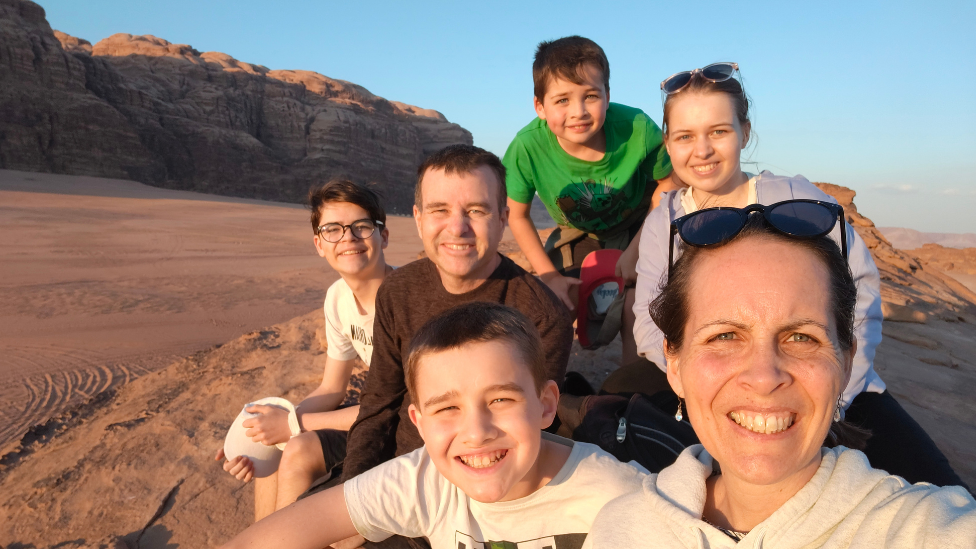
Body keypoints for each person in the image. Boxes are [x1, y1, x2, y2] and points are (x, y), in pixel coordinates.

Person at [632, 62, 967, 487]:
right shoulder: (666, 221)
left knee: (941, 494)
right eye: (685, 136)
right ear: (669, 143)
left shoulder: (793, 199)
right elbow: (649, 319)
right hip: (719, 398)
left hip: (830, 392)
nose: (702, 151)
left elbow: (858, 289)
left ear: (745, 132)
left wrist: (836, 400)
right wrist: (704, 392)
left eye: (719, 131)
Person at [584, 212, 976, 548]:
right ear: (674, 364)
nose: (764, 377)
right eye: (724, 336)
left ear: (845, 362)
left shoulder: (926, 531)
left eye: (802, 337)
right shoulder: (620, 530)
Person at [219, 302, 647, 549]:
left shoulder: (617, 496)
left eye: (500, 399)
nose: (476, 431)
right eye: (447, 409)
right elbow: (280, 533)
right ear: (419, 425)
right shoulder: (423, 480)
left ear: (546, 405)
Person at [339, 144, 574, 547]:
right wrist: (355, 504)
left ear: (503, 219)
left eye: (477, 211)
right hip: (396, 478)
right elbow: (377, 405)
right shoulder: (399, 291)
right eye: (439, 210)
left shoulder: (541, 316)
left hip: (473, 499)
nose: (457, 227)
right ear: (418, 218)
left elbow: (514, 440)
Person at [215, 179, 392, 521]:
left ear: (383, 236)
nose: (348, 238)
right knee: (276, 433)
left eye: (361, 226)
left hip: (408, 427)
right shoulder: (338, 298)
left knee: (297, 443)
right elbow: (331, 388)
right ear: (319, 244)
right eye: (333, 230)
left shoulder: (404, 301)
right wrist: (253, 435)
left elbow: (399, 406)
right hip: (375, 415)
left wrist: (294, 423)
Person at [503, 35, 679, 364]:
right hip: (576, 232)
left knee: (639, 305)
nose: (579, 112)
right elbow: (517, 214)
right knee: (545, 307)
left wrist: (635, 251)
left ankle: (635, 389)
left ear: (608, 96)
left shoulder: (637, 129)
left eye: (591, 96)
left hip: (638, 226)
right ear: (539, 106)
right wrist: (549, 276)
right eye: (562, 100)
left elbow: (669, 185)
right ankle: (544, 390)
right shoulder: (527, 147)